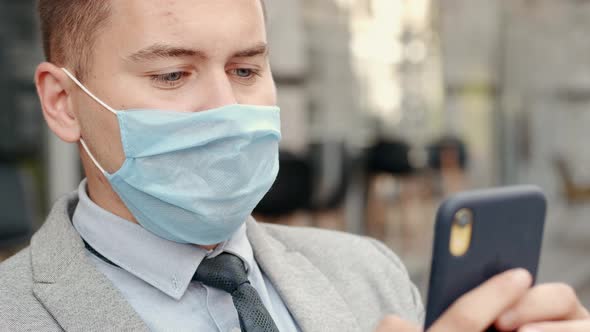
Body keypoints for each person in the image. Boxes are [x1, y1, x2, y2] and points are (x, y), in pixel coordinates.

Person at [0, 1, 588, 331]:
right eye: (172, 75)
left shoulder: (368, 274)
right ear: (62, 102)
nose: (227, 110)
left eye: (246, 69)